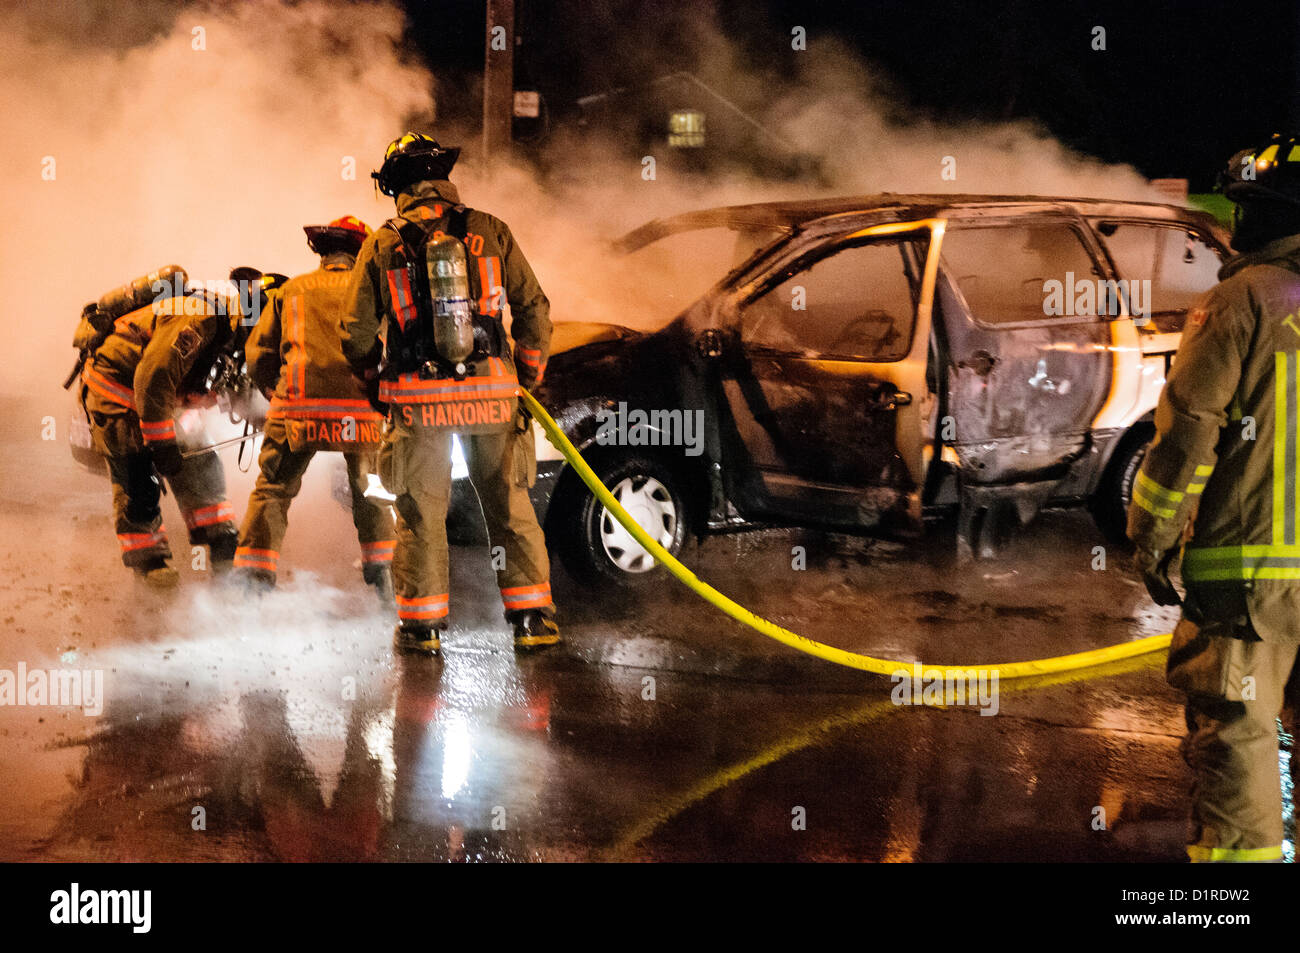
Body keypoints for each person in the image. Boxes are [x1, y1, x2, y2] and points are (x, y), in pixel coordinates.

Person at [1128, 133, 1300, 862]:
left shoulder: (1241, 303)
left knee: (1239, 733)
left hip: (1252, 576)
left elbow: (1187, 436)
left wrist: (1152, 537)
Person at [342, 132, 559, 656]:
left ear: (396, 187)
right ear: (443, 176)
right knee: (510, 507)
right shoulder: (491, 230)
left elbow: (354, 333)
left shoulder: (381, 243)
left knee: (420, 513)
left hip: (418, 404)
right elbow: (534, 312)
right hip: (491, 396)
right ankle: (533, 621)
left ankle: (424, 628)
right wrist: (524, 379)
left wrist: (376, 385)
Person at [234, 216, 395, 596]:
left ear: (322, 251)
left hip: (297, 410)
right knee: (370, 486)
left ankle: (254, 579)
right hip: (361, 411)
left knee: (273, 486)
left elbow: (258, 353)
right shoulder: (374, 289)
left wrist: (273, 390)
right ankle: (383, 571)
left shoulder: (291, 290)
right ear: (361, 251)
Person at [78, 274, 256, 585]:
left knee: (201, 461)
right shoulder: (199, 319)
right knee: (137, 478)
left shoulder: (237, 329)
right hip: (118, 392)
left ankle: (223, 545)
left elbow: (233, 382)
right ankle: (152, 567)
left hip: (163, 400)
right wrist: (161, 445)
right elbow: (153, 378)